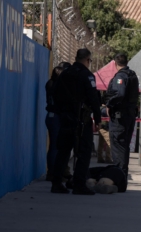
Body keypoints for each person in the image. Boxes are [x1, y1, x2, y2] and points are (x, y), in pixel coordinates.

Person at [51, 48, 101, 195]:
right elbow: (93, 99)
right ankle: (79, 184)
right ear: (87, 60)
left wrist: (62, 110)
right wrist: (97, 118)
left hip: (66, 118)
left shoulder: (65, 73)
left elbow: (55, 91)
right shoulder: (87, 75)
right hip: (82, 119)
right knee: (84, 151)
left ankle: (56, 183)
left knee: (64, 151)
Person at [105, 53, 139, 192]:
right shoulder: (132, 75)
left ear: (114, 63)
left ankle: (119, 180)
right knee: (123, 148)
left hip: (120, 117)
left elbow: (119, 94)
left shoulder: (121, 76)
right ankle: (122, 181)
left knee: (118, 148)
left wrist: (109, 104)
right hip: (128, 116)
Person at [45, 62, 72, 182]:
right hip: (56, 117)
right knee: (57, 147)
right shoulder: (58, 86)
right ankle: (53, 173)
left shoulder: (50, 84)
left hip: (51, 116)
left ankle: (54, 172)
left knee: (54, 146)